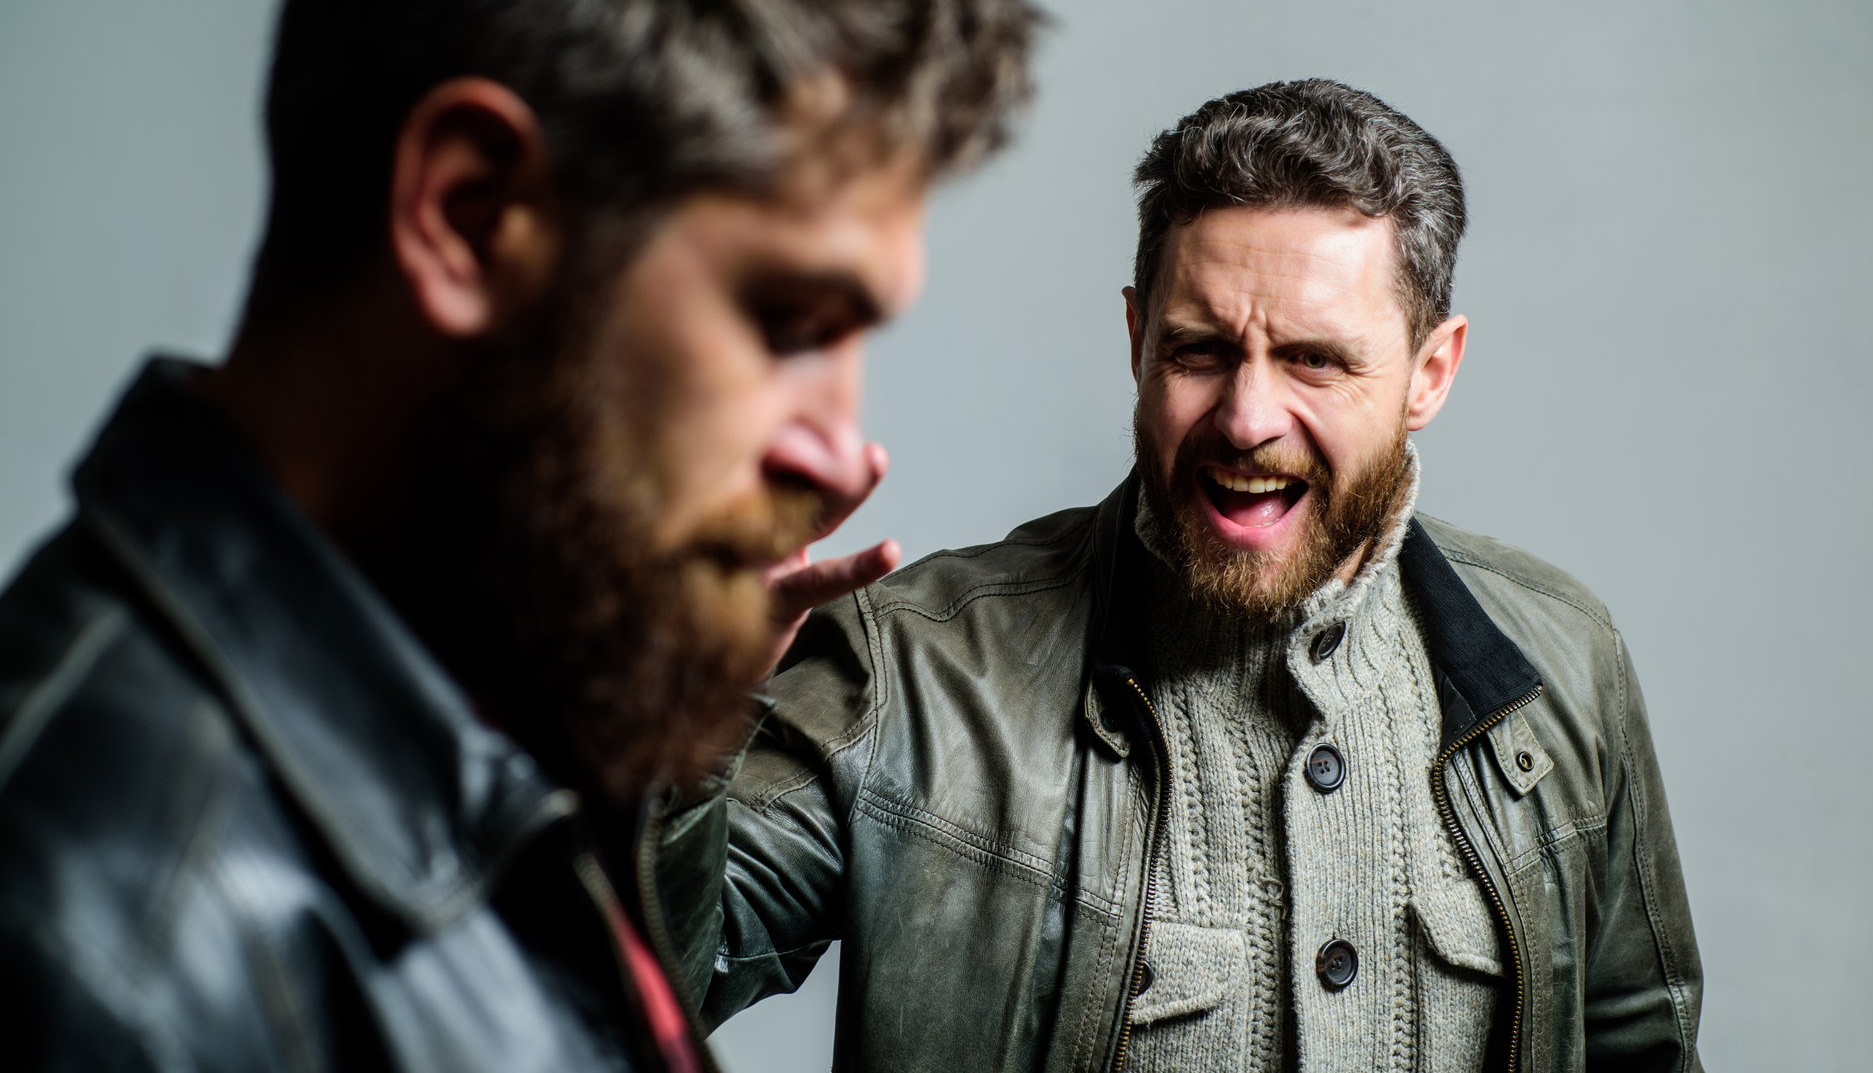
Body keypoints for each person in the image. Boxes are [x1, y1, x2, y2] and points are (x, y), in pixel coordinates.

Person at [0, 0, 1036, 1068]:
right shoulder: (90, 947)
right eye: (790, 319)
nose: (839, 450)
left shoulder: (511, 709)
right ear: (470, 213)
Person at [657, 79, 1704, 1072]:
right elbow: (641, 976)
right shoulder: (912, 670)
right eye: (1199, 351)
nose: (1247, 418)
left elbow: (1640, 1051)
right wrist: (674, 720)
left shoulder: (1562, 662)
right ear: (1136, 340)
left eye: (1313, 359)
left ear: (1430, 372)